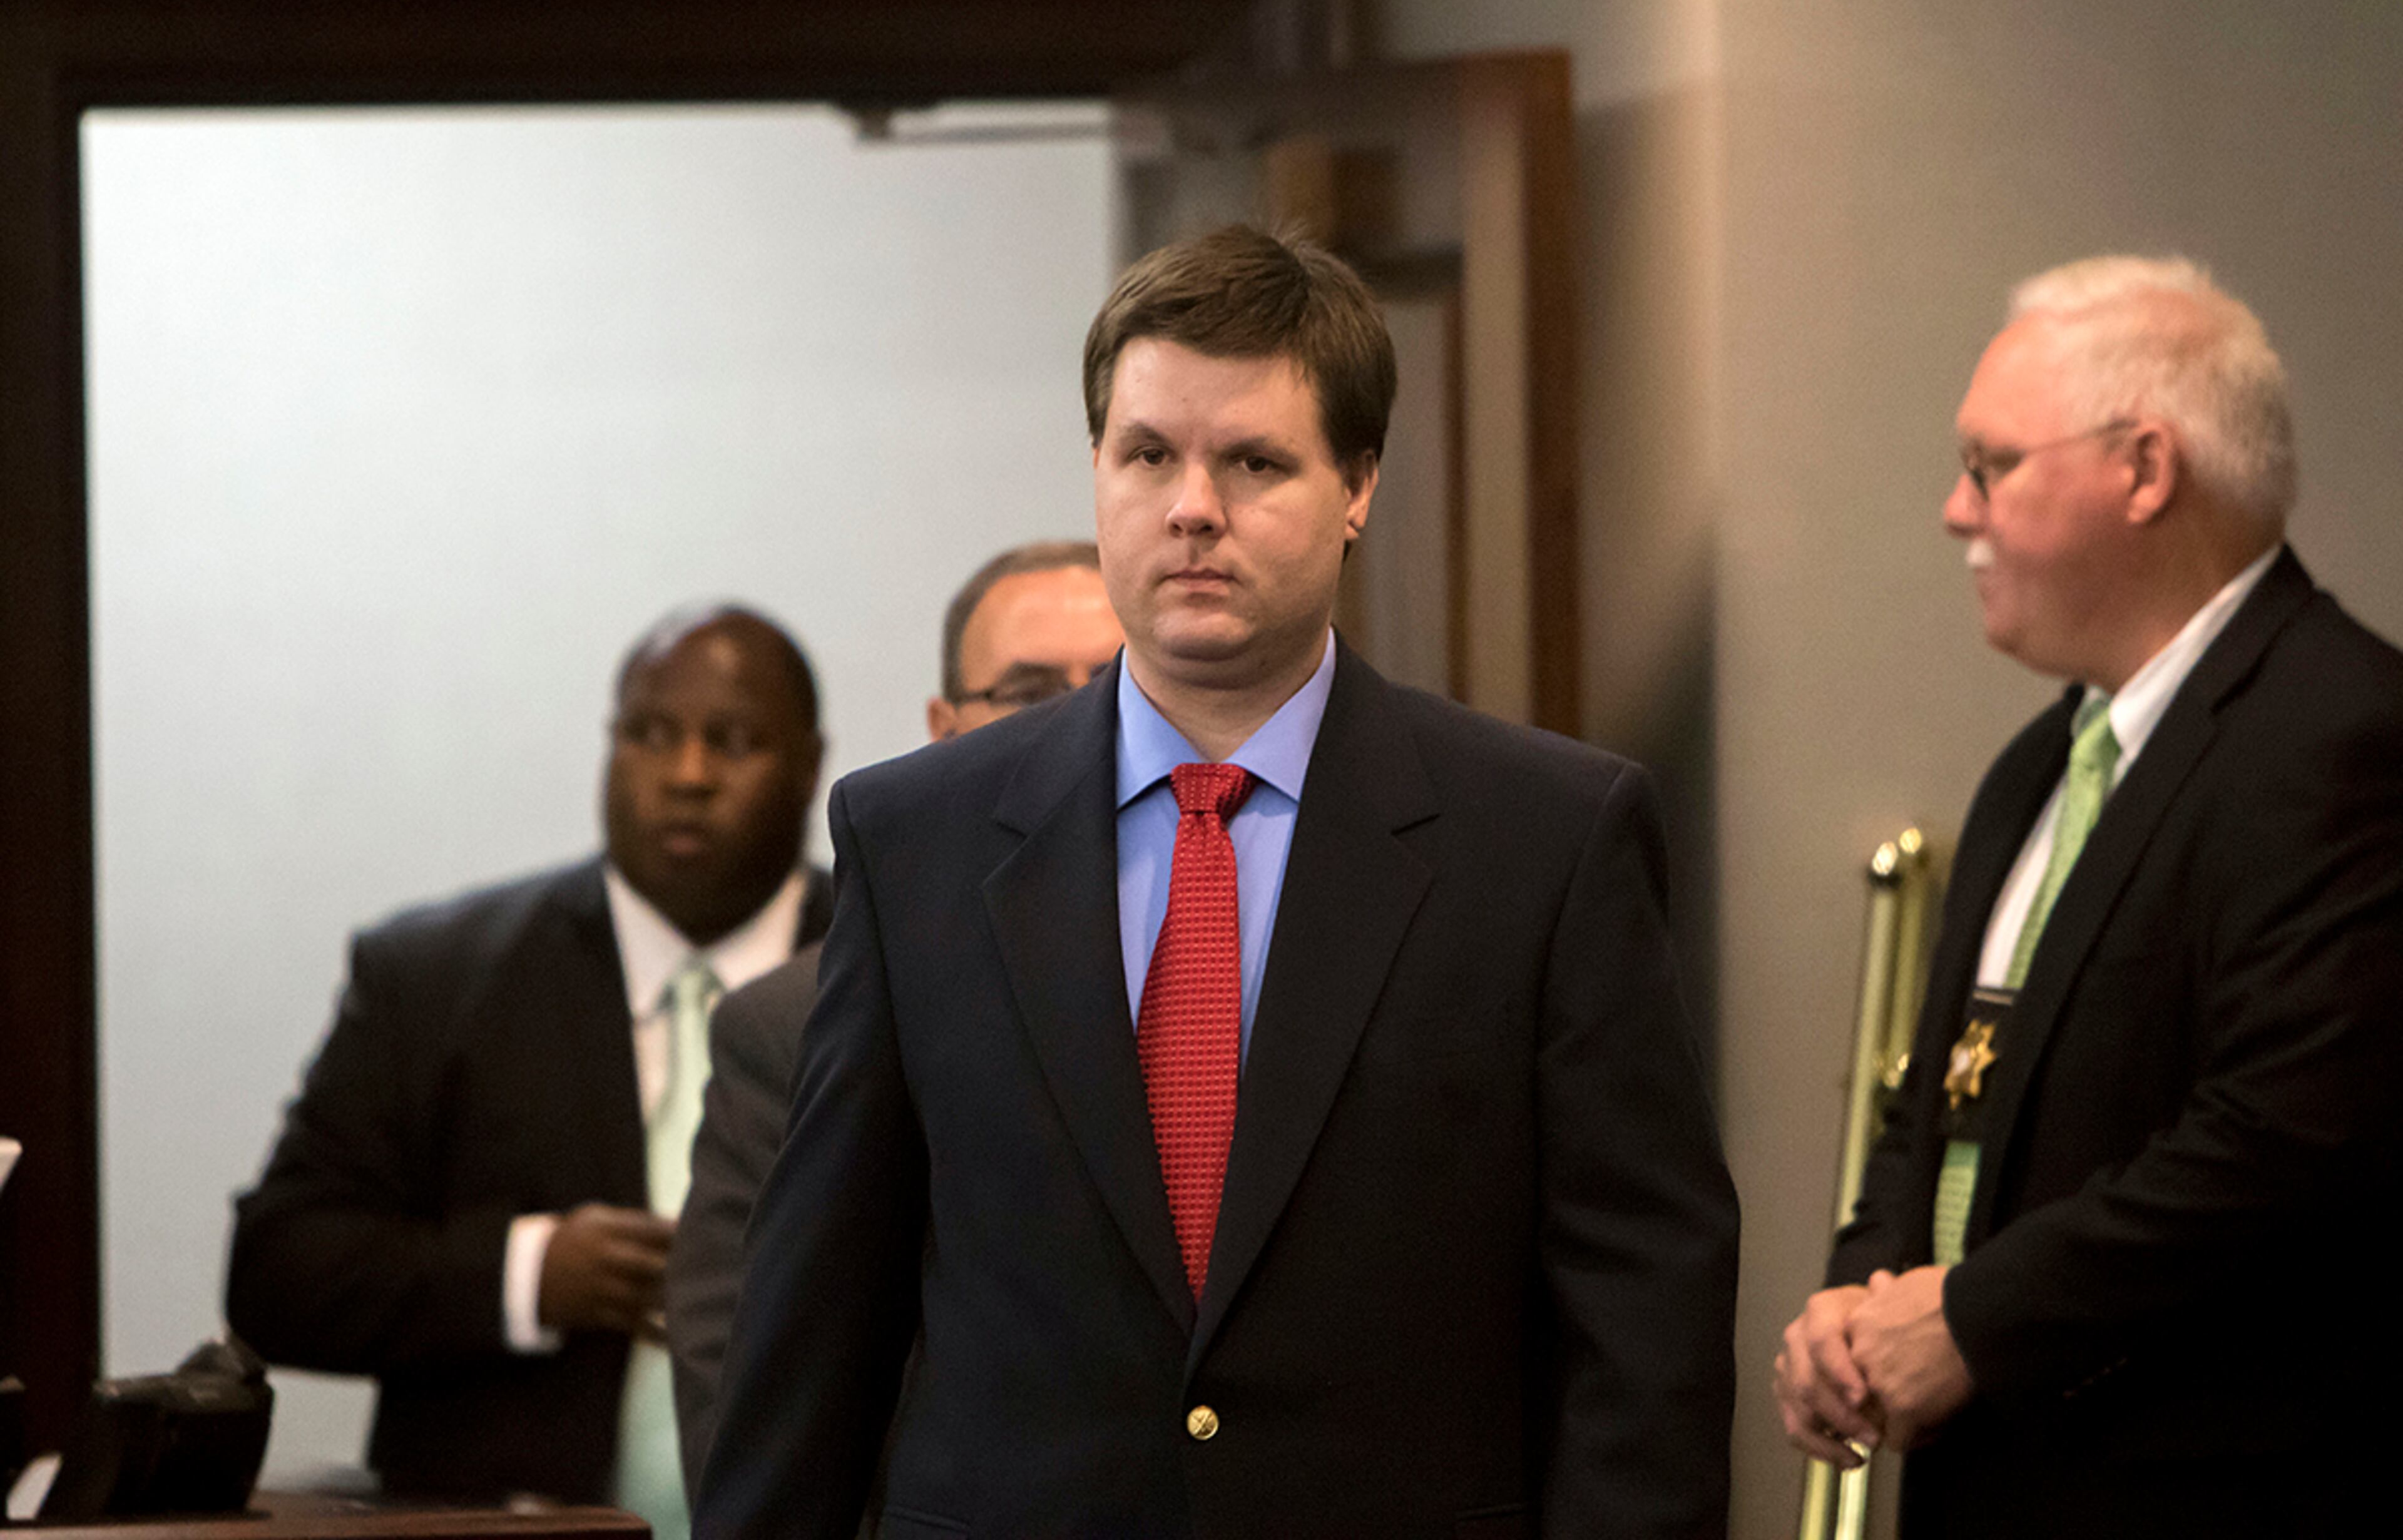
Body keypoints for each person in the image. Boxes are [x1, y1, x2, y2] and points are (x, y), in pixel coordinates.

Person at [696, 225, 1738, 1540]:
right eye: (1148, 456)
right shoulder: (917, 840)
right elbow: (815, 1324)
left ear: (1358, 485)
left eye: (1253, 461)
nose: (1193, 507)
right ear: (1097, 471)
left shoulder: (1547, 841)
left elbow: (1644, 1326)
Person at [1774, 257, 2403, 1537]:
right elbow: (1937, 1097)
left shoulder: (2344, 732)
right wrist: (1861, 1297)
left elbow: (2280, 1141)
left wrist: (1973, 1321)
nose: (1956, 510)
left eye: (1990, 465)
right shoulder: (2040, 766)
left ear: (2145, 469)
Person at [226, 605, 830, 1534]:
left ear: (810, 765)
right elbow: (278, 1273)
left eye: (735, 741)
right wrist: (526, 1273)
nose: (687, 775)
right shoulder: (436, 980)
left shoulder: (897, 967)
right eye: (649, 734)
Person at [665, 540, 1123, 1496]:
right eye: (1030, 692)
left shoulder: (1251, 975)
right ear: (945, 732)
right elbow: (758, 1426)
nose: (1080, 724)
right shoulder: (787, 1029)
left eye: (1117, 686)